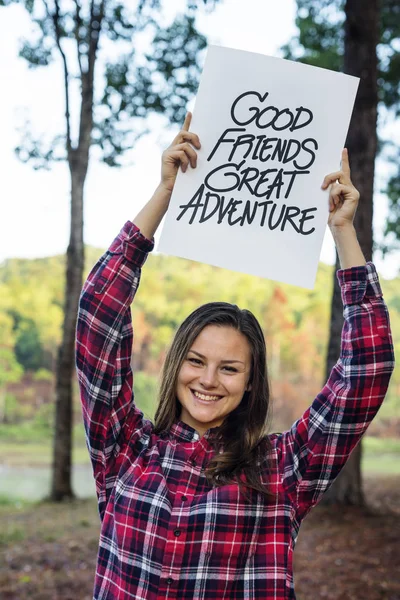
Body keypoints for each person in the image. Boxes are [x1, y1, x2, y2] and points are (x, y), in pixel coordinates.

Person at [76, 113, 394, 600]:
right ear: (176, 365)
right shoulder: (125, 449)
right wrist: (164, 194)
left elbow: (366, 371)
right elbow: (99, 315)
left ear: (250, 382)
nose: (209, 380)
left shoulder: (283, 469)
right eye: (197, 361)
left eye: (230, 368)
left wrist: (343, 232)